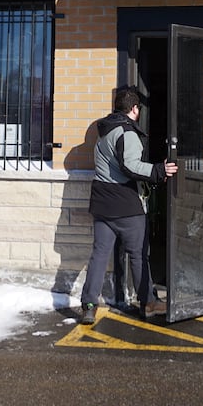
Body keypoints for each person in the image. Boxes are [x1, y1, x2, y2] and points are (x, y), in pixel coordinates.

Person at [80, 86, 177, 324]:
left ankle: (89, 305)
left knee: (100, 255)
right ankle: (149, 304)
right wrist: (158, 170)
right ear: (134, 109)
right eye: (139, 109)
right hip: (126, 205)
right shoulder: (126, 132)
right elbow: (131, 166)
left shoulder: (103, 131)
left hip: (102, 204)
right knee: (138, 256)